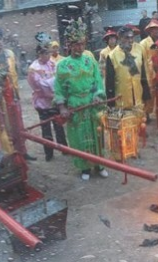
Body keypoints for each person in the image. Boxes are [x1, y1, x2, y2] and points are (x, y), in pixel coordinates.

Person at [54, 18, 108, 181]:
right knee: (79, 137)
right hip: (76, 106)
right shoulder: (63, 65)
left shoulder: (90, 60)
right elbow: (59, 88)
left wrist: (98, 95)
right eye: (76, 44)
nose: (80, 47)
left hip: (92, 105)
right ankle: (84, 168)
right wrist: (62, 107)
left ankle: (100, 164)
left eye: (82, 44)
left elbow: (98, 79)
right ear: (70, 45)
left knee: (97, 135)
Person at [0, 23, 37, 161]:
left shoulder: (9, 54)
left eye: (0, 38)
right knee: (6, 125)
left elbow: (14, 73)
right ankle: (12, 152)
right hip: (1, 97)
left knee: (18, 124)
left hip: (14, 94)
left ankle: (23, 151)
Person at [27, 32, 68, 162]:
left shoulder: (52, 64)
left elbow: (59, 80)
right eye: (45, 53)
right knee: (46, 129)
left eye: (49, 53)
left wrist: (58, 94)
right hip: (43, 104)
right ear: (39, 54)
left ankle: (64, 149)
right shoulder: (33, 68)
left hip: (55, 101)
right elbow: (38, 87)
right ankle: (49, 153)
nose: (48, 56)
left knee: (59, 126)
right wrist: (52, 94)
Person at [105, 26, 151, 110]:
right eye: (126, 37)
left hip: (139, 100)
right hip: (122, 102)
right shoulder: (112, 56)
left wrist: (146, 96)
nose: (130, 40)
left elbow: (143, 75)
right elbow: (109, 83)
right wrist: (110, 104)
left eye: (132, 37)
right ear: (119, 38)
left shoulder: (139, 49)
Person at [140, 19, 158, 123]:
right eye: (154, 30)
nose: (157, 32)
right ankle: (146, 114)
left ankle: (152, 112)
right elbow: (142, 59)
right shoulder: (143, 43)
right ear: (150, 31)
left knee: (155, 95)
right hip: (147, 72)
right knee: (147, 94)